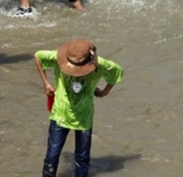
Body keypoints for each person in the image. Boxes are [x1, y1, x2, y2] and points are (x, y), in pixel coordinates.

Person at [35, 39, 123, 177]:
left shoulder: (100, 65)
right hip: (60, 114)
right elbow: (38, 57)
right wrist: (46, 83)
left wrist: (104, 92)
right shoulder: (58, 58)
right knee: (52, 156)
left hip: (84, 117)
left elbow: (117, 72)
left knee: (82, 158)